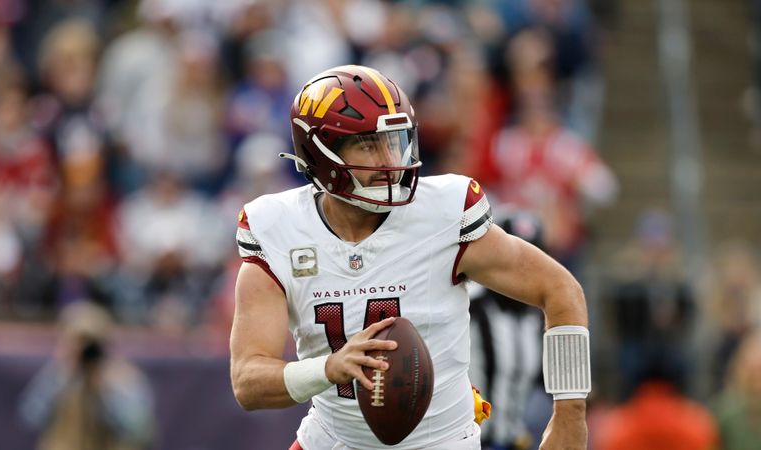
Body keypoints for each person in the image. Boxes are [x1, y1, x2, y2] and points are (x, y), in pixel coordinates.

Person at [229, 65, 589, 450]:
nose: (389, 159)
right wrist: (328, 369)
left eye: (394, 140)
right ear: (321, 152)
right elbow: (248, 380)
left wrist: (570, 412)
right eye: (368, 144)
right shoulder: (278, 227)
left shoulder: (442, 213)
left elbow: (560, 289)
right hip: (332, 440)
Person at [19, 301, 155, 450]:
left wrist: (107, 391)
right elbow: (30, 418)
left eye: (90, 343)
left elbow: (139, 431)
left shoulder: (123, 378)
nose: (85, 351)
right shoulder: (59, 375)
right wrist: (60, 375)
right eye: (78, 342)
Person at [468, 209, 546, 450]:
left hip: (515, 441)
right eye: (513, 258)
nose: (521, 269)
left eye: (531, 259)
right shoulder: (469, 304)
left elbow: (549, 381)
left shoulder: (538, 315)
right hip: (469, 442)